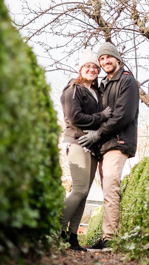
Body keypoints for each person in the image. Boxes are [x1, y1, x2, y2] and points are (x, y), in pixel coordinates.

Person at [78, 43, 139, 250]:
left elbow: (124, 115)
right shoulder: (104, 84)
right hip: (105, 144)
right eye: (101, 59)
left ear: (117, 59)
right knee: (107, 190)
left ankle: (110, 238)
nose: (105, 62)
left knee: (111, 186)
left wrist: (98, 134)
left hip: (119, 141)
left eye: (108, 58)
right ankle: (111, 235)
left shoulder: (127, 80)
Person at [59, 50, 113, 251]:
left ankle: (73, 237)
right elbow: (74, 118)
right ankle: (58, 230)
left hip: (91, 146)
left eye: (95, 67)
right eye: (87, 66)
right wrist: (101, 117)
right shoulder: (73, 89)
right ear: (81, 69)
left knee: (84, 192)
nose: (91, 69)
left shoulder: (96, 92)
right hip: (77, 142)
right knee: (79, 189)